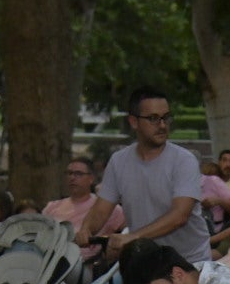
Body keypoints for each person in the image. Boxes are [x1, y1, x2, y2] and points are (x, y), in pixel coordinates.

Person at [78, 88, 209, 266]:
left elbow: (180, 216)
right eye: (153, 118)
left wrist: (133, 237)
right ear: (134, 121)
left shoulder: (184, 160)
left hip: (189, 263)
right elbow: (101, 210)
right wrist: (86, 229)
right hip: (144, 262)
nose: (162, 125)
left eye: (166, 117)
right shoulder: (119, 161)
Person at [44, 158, 125, 262]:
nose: (72, 178)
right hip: (53, 262)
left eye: (78, 174)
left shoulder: (105, 207)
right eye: (69, 173)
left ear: (91, 178)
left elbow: (130, 229)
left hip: (90, 263)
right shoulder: (52, 207)